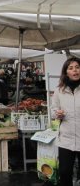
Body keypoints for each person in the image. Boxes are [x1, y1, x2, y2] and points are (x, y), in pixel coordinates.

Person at [51, 57, 80, 186]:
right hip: (66, 139)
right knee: (64, 172)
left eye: (78, 67)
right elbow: (52, 111)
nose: (75, 70)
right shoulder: (59, 91)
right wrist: (57, 113)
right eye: (71, 68)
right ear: (66, 72)